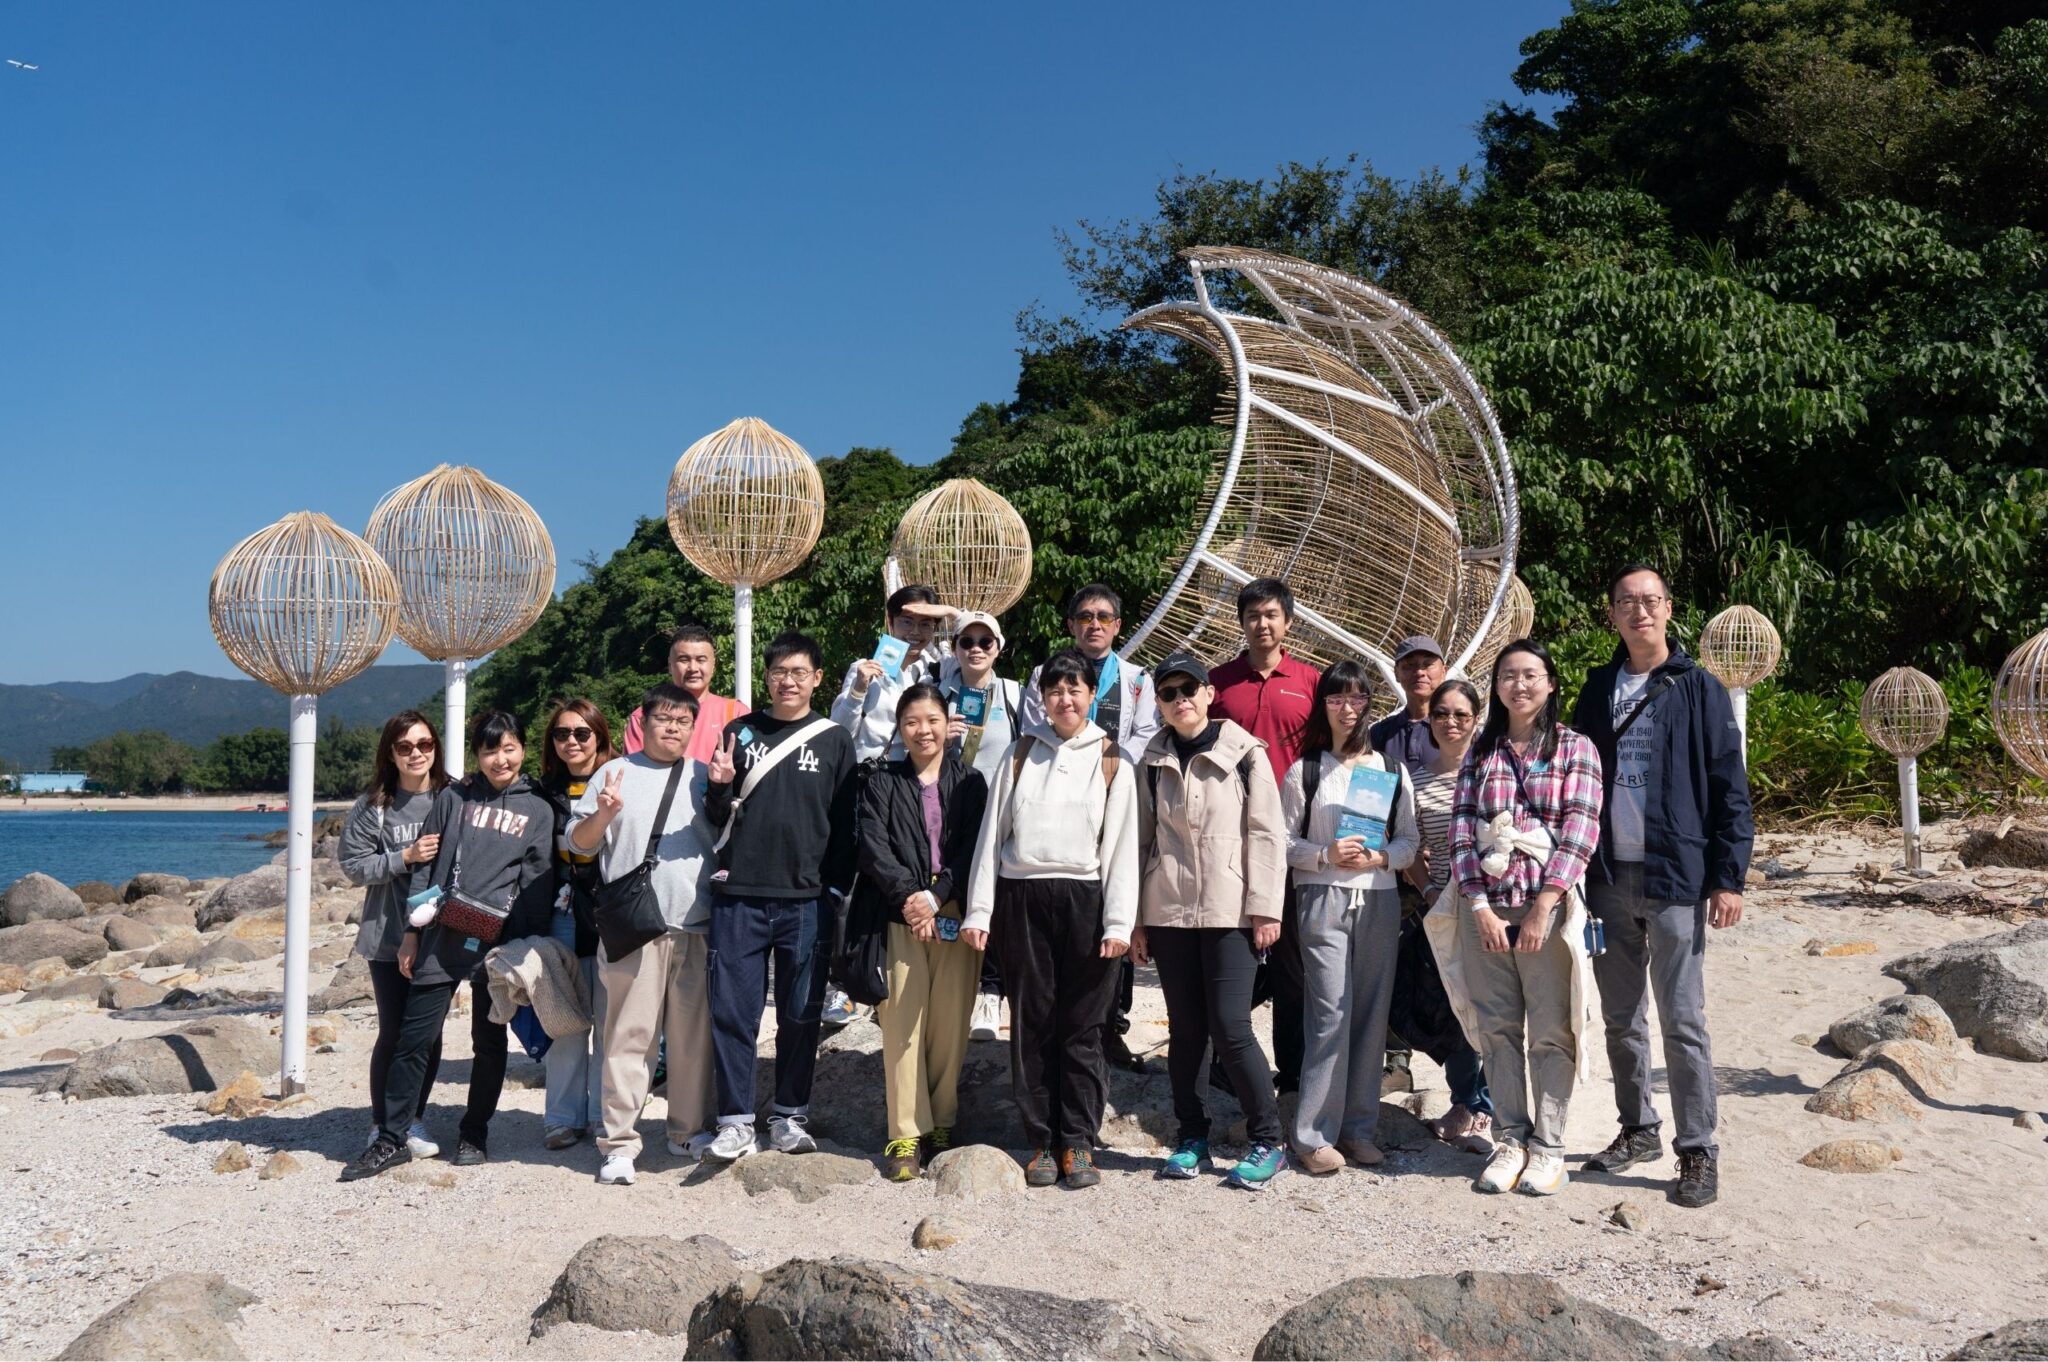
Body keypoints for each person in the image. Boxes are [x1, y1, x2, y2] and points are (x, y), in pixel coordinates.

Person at [1572, 565, 1753, 1209]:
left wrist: (1728, 877)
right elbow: (1573, 779)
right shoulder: (1596, 690)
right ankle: (1637, 1128)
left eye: (1650, 601)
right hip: (1607, 876)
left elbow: (1730, 786)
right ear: (1613, 613)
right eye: (1627, 603)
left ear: (1669, 609)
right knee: (1621, 1018)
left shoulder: (1698, 689)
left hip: (1676, 875)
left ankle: (1698, 1148)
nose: (1639, 612)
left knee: (1682, 1020)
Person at [340, 711, 559, 1181]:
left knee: (489, 1041)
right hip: (441, 933)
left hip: (497, 943)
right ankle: (391, 1136)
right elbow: (427, 867)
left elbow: (538, 879)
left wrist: (524, 944)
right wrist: (412, 933)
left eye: (509, 748)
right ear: (475, 755)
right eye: (489, 750)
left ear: (522, 748)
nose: (500, 759)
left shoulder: (538, 808)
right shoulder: (454, 797)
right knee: (413, 1038)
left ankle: (474, 1131)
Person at [963, 648, 1139, 1190]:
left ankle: (1079, 1143)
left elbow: (1121, 848)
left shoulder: (1112, 760)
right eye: (1056, 690)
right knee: (1032, 1023)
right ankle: (1041, 1140)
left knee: (1084, 1026)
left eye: (1076, 689)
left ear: (1091, 697)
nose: (1065, 699)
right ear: (1042, 698)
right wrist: (979, 910)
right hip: (1022, 898)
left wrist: (1118, 924)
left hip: (1085, 899)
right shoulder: (1018, 754)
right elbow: (991, 839)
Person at [1449, 639, 1603, 1198]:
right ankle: (1510, 1138)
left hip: (1549, 908)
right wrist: (1480, 906)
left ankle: (1550, 1147)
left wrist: (1544, 904)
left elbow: (1581, 829)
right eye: (1509, 675)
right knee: (1497, 1029)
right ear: (1496, 687)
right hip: (1485, 908)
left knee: (1553, 1030)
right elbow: (1462, 830)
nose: (1520, 684)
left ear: (1551, 683)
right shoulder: (1481, 753)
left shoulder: (1575, 748)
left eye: (1531, 675)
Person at [1131, 652, 1289, 1190]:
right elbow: (1140, 840)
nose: (1180, 700)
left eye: (1188, 689)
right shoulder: (1151, 760)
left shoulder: (1245, 753)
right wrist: (1134, 919)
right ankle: (1191, 1138)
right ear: (1159, 703)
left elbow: (1268, 833)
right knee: (1187, 1031)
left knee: (1231, 1026)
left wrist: (1266, 906)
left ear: (1207, 693)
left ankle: (1268, 1140)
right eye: (1168, 693)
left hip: (1231, 909)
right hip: (1169, 907)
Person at [702, 631, 859, 1162]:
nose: (787, 681)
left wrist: (833, 892)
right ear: (766, 677)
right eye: (778, 672)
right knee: (732, 1012)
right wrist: (720, 788)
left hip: (807, 901)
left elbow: (846, 827)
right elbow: (716, 820)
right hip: (739, 894)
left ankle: (790, 1115)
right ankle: (735, 1121)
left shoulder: (835, 739)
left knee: (800, 1013)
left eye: (799, 672)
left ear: (818, 678)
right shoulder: (739, 732)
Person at [567, 683, 719, 1186]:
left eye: (682, 721)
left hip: (696, 924)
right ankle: (618, 1143)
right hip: (634, 929)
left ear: (692, 728)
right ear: (644, 721)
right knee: (628, 1037)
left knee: (691, 1041)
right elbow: (579, 846)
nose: (672, 727)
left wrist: (725, 789)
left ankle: (686, 1130)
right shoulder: (615, 773)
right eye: (663, 718)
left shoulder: (704, 777)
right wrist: (606, 812)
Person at [1280, 661, 1419, 1174]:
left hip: (1378, 899)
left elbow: (1409, 841)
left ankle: (1359, 1131)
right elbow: (1283, 841)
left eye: (1357, 698)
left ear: (1368, 706)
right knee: (1329, 1011)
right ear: (1323, 706)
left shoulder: (1389, 770)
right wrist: (1324, 855)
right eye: (1336, 698)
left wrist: (1382, 858)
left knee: (1370, 1015)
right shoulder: (1306, 769)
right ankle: (1312, 1135)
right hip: (1321, 898)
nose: (1347, 708)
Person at [1019, 584, 1159, 1072]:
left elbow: (1143, 734)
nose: (1094, 624)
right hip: (1058, 807)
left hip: (1116, 797)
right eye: (1084, 617)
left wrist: (1109, 766)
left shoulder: (1139, 680)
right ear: (1071, 625)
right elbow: (1034, 735)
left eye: (1104, 616)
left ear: (1118, 625)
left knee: (1114, 908)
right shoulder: (1045, 676)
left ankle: (1111, 1026)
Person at [858, 684, 990, 1181]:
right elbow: (873, 846)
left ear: (948, 723)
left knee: (949, 1026)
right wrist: (912, 898)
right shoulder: (881, 781)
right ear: (900, 728)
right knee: (902, 1027)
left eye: (932, 719)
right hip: (901, 917)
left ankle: (942, 1123)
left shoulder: (971, 782)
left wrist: (937, 895)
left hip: (955, 915)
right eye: (912, 721)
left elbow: (974, 848)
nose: (923, 730)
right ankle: (905, 1133)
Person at [1208, 577, 1321, 1103]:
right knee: (1235, 949)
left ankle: (1293, 1072)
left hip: (1293, 837)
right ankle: (1227, 1062)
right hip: (1230, 838)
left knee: (1291, 959)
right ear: (1242, 622)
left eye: (1272, 614)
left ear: (1288, 622)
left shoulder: (1311, 683)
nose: (1262, 623)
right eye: (1253, 615)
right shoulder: (1216, 684)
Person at [338, 709, 451, 1161]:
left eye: (425, 745)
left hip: (441, 937)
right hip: (386, 937)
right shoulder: (375, 805)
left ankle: (414, 1118)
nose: (416, 754)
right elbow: (352, 866)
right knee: (394, 1032)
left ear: (436, 748)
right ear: (391, 752)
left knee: (430, 1034)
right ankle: (383, 1124)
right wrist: (403, 856)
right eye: (405, 747)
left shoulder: (451, 798)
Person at [1400, 679, 1496, 1153]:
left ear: (1476, 718)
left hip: (1495, 907)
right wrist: (1431, 888)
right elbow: (1409, 846)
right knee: (1453, 1010)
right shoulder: (1414, 779)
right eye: (1441, 713)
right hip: (1443, 910)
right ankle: (1465, 1101)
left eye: (1461, 713)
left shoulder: (1494, 770)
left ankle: (1488, 1111)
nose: (1451, 722)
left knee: (1496, 1007)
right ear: (1429, 719)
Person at [934, 609, 1021, 1043]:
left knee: (993, 901)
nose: (976, 649)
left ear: (998, 649)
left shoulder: (1014, 695)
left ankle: (991, 992)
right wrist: (937, 737)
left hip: (1000, 816)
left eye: (985, 642)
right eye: (967, 642)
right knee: (950, 896)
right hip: (947, 815)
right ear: (955, 650)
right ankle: (948, 991)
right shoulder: (936, 694)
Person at [1368, 634, 1449, 1092]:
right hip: (1397, 871)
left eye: (1428, 664)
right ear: (1398, 673)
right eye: (1410, 664)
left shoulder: (1459, 724)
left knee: (1446, 967)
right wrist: (1400, 854)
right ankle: (1395, 1061)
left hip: (1451, 871)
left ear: (1442, 670)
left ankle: (1464, 1080)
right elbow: (1372, 798)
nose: (1419, 672)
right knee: (1393, 964)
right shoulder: (1382, 734)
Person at [535, 699, 616, 1152]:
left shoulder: (622, 782)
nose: (572, 742)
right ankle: (562, 1117)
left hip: (609, 911)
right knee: (565, 1020)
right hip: (560, 911)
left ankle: (606, 1114)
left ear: (600, 737)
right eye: (562, 734)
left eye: (582, 733)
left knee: (610, 1021)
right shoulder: (542, 792)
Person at [832, 584, 953, 763]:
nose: (915, 631)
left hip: (911, 780)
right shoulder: (864, 670)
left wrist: (950, 611)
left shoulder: (937, 672)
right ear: (891, 621)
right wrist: (857, 691)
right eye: (907, 621)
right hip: (867, 778)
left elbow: (978, 656)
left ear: (935, 628)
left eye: (925, 623)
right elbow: (840, 732)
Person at [625, 624, 749, 765]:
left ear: (713, 666)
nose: (693, 668)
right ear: (670, 665)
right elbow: (637, 772)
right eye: (684, 660)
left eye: (701, 659)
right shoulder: (645, 716)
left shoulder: (736, 713)